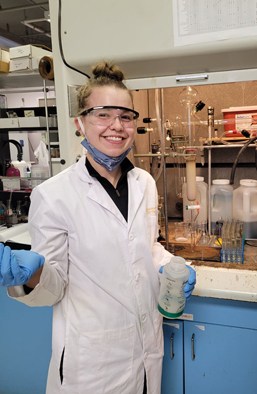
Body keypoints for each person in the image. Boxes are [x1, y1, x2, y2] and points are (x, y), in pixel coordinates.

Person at [0, 61, 196, 394]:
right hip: (92, 362)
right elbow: (54, 287)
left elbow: (144, 246)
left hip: (148, 346)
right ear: (80, 123)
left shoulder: (144, 182)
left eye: (126, 116)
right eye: (102, 114)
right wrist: (32, 275)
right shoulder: (53, 195)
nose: (116, 126)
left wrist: (169, 266)